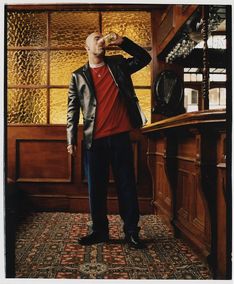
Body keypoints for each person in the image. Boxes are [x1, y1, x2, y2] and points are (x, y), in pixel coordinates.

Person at [66, 31, 151, 249]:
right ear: (86, 48)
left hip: (121, 137)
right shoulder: (78, 76)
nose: (101, 40)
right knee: (96, 188)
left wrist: (123, 42)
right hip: (94, 141)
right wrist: (70, 139)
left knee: (127, 186)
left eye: (101, 37)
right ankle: (100, 231)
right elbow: (72, 110)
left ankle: (131, 232)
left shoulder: (118, 65)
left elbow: (144, 58)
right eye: (95, 38)